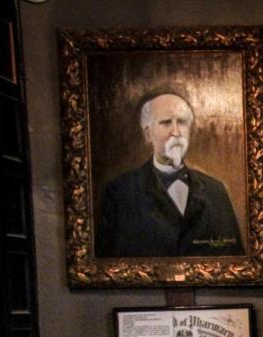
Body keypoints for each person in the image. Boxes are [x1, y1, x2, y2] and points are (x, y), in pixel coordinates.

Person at [95, 91, 244, 258]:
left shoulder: (216, 191)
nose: (176, 132)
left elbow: (235, 259)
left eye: (181, 122)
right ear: (148, 134)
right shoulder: (119, 192)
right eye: (166, 123)